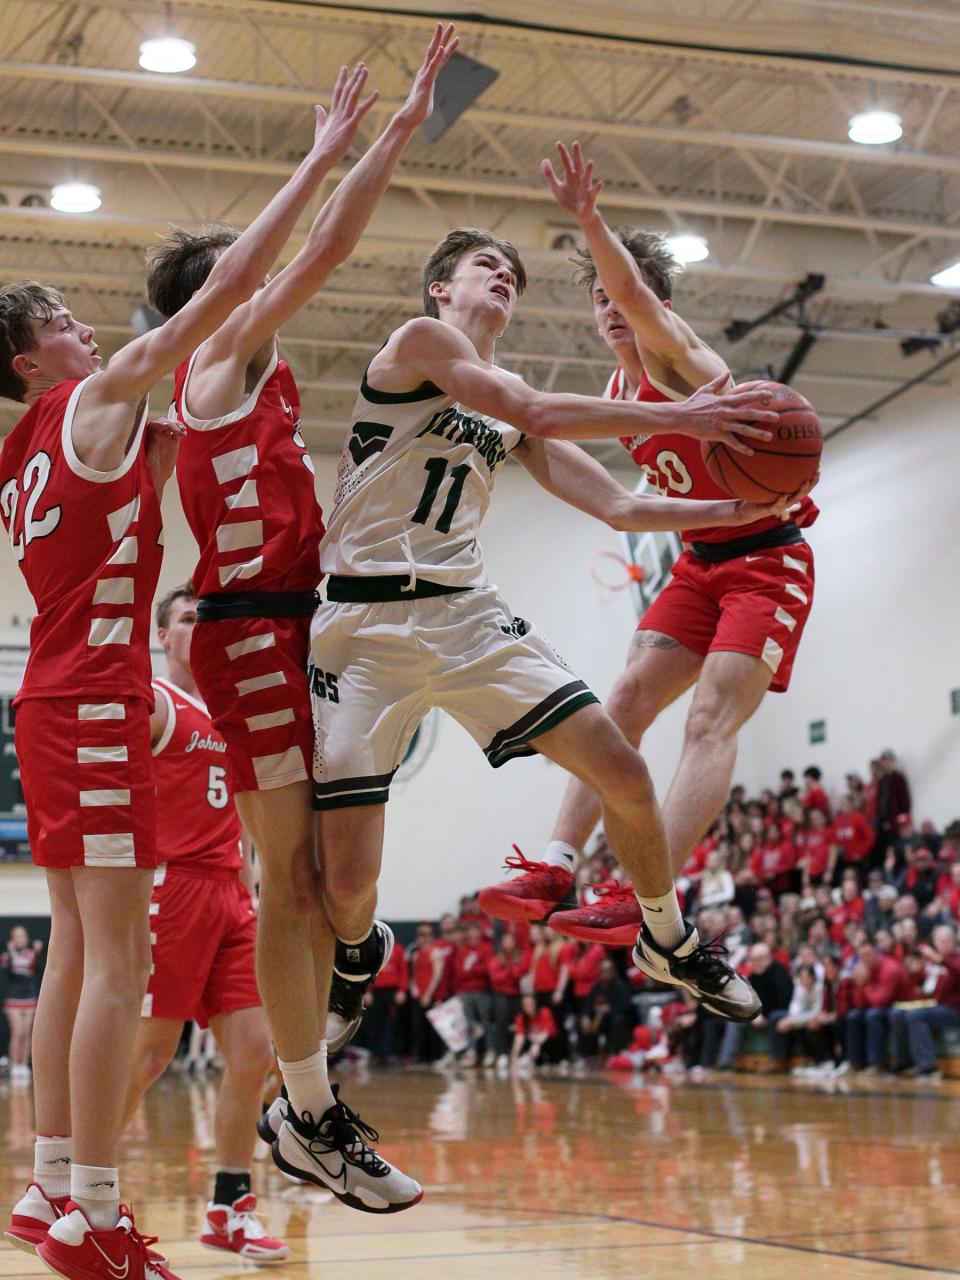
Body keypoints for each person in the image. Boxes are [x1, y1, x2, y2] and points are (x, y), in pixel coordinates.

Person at [295, 213, 789, 1188]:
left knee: (620, 761)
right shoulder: (421, 343)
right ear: (442, 288)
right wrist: (679, 420)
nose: (505, 278)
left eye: (514, 272)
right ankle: (360, 950)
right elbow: (535, 404)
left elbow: (617, 504)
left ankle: (665, 928)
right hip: (362, 632)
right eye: (487, 265)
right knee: (347, 878)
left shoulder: (512, 415)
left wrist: (736, 510)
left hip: (466, 616)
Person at [0, 76, 370, 1277]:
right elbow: (219, 296)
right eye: (62, 317)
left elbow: (175, 434)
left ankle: (51, 1183)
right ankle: (94, 1213)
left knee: (70, 948)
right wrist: (315, 160)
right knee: (111, 962)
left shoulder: (31, 446)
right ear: (25, 354)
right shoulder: (92, 398)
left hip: (55, 696)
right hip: (99, 697)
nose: (87, 328)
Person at [149, 28, 459, 1215]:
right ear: (213, 296)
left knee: (333, 884)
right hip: (246, 634)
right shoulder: (210, 363)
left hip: (305, 627)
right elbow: (318, 248)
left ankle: (323, 1039)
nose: (265, 274)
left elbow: (306, 259)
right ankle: (306, 1113)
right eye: (243, 265)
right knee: (288, 881)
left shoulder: (260, 376)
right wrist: (370, 140)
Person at [479, 140, 819, 962]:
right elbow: (630, 503)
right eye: (595, 297)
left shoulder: (680, 356)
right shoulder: (614, 394)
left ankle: (645, 894)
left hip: (769, 560)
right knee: (623, 699)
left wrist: (588, 219)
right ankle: (556, 867)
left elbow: (636, 294)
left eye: (616, 294)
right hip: (700, 561)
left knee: (708, 720)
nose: (607, 306)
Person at [120, 585, 287, 1262]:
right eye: (187, 617)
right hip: (173, 886)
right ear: (164, 635)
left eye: (205, 617)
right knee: (149, 1055)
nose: (199, 626)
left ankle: (229, 1207)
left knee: (254, 1054)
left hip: (234, 890)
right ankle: (87, 1190)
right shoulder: (157, 703)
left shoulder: (235, 714)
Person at [1, 926, 43, 1080]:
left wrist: (37, 953)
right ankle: (14, 1065)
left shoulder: (32, 954)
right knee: (17, 1033)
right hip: (13, 998)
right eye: (17, 936)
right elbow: (9, 972)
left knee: (26, 1034)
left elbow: (36, 970)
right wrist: (11, 953)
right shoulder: (8, 956)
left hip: (30, 997)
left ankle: (23, 1065)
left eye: (23, 936)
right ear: (12, 939)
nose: (21, 939)